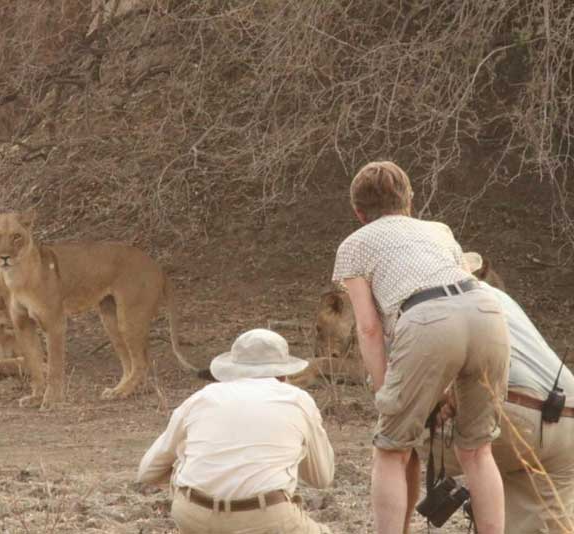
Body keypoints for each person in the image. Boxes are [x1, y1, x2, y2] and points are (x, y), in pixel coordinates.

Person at [331, 161, 510, 534]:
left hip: (426, 320)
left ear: (357, 211)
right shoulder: (439, 230)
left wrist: (385, 390)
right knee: (477, 450)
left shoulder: (354, 245)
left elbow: (368, 328)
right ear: (409, 200)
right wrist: (443, 391)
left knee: (391, 450)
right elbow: (458, 301)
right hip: (488, 311)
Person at [422, 251, 574, 534]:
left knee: (400, 433)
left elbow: (407, 394)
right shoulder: (500, 298)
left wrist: (441, 400)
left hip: (515, 415)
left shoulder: (436, 302)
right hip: (567, 424)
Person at [136, 328, 335, 534]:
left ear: (232, 369)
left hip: (194, 516)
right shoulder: (298, 400)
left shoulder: (202, 398)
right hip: (266, 518)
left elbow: (147, 471)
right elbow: (321, 478)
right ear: (284, 373)